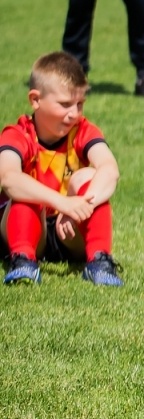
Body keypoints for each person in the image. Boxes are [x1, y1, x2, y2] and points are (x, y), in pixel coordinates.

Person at [1, 52, 122, 287]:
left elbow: (110, 169)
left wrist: (78, 206)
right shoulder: (17, 134)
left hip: (67, 230)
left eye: (80, 104)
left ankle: (99, 260)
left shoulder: (83, 130)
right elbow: (8, 178)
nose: (74, 113)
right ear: (35, 100)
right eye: (65, 104)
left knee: (88, 177)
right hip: (22, 227)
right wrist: (60, 202)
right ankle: (23, 260)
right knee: (26, 188)